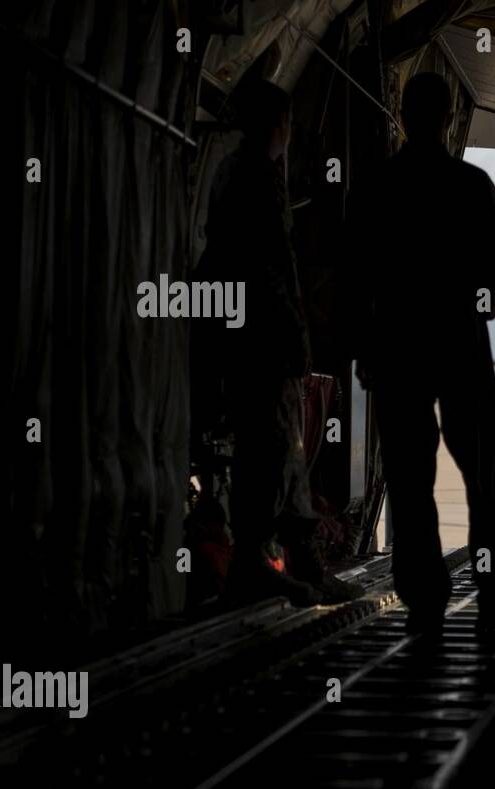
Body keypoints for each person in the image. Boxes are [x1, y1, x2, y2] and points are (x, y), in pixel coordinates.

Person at [344, 72, 495, 636]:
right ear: (447, 117)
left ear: (401, 112)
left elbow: (355, 283)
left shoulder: (375, 187)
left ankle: (422, 597)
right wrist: (472, 305)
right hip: (460, 345)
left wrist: (369, 347)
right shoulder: (472, 185)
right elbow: (493, 282)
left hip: (398, 348)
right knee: (485, 476)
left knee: (410, 475)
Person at [202, 79, 361, 607]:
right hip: (263, 344)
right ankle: (285, 564)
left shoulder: (228, 174)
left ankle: (272, 564)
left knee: (265, 453)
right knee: (278, 452)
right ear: (280, 126)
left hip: (237, 339)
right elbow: (272, 271)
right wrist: (295, 340)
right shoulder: (258, 179)